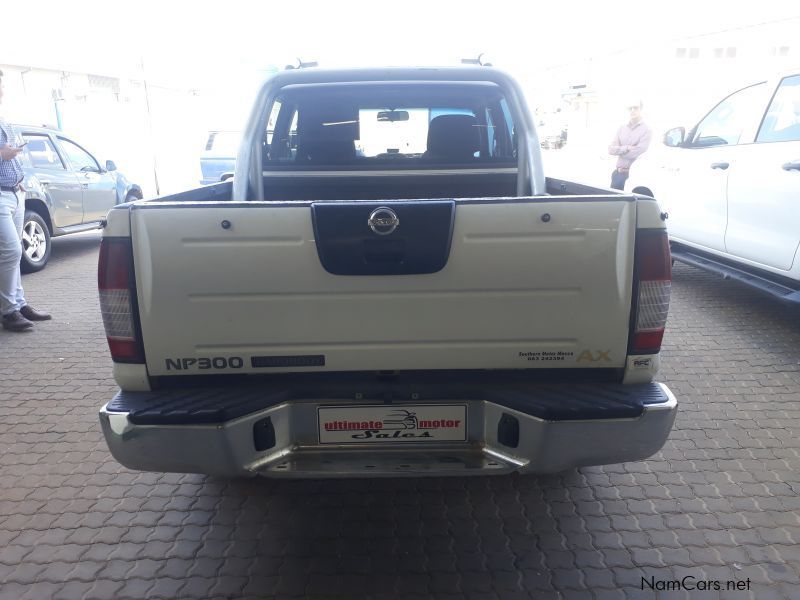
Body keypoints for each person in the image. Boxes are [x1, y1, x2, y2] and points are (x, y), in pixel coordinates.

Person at [0, 70, 51, 332]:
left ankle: (18, 304)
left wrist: (18, 178)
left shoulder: (3, 119)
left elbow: (8, 154)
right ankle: (8, 312)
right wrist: (3, 154)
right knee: (10, 250)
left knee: (14, 251)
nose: (1, 88)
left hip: (14, 191)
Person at [608, 100, 652, 190]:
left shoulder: (647, 130)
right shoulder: (622, 128)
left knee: (631, 204)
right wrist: (626, 148)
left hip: (635, 177)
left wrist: (619, 151)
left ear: (641, 109)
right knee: (614, 203)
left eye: (635, 108)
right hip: (617, 175)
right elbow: (610, 149)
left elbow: (638, 152)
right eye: (630, 108)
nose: (632, 110)